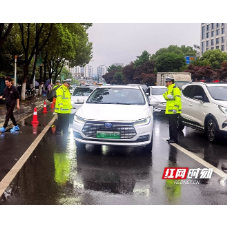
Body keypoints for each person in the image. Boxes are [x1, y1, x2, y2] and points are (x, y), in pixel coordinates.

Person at [163, 77, 182, 144]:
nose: (166, 83)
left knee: (173, 126)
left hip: (174, 111)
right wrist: (167, 96)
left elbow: (178, 100)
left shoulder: (175, 89)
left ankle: (174, 139)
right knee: (171, 125)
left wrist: (175, 109)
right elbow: (165, 96)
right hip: (170, 110)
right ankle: (171, 138)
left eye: (167, 82)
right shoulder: (169, 89)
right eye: (166, 82)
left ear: (171, 82)